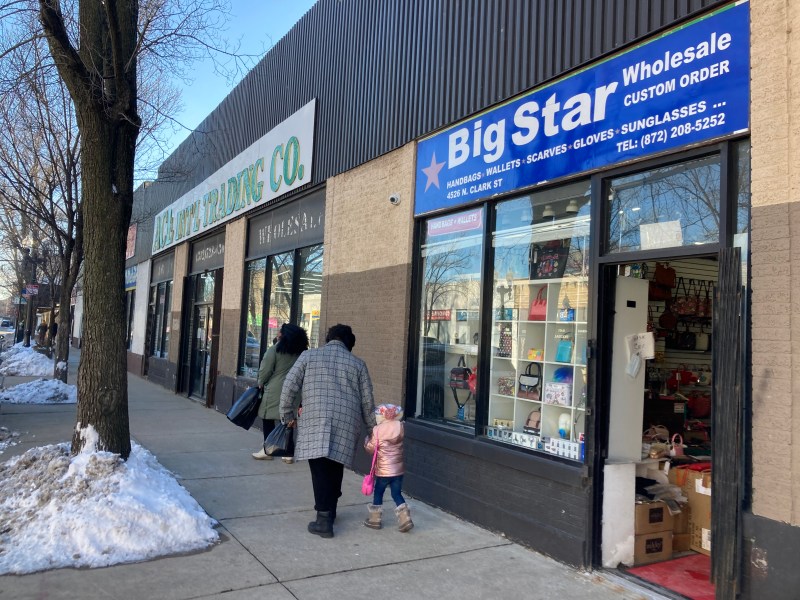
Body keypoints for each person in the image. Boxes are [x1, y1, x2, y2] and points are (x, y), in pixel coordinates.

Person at [280, 323, 377, 538]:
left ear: (328, 338)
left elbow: (289, 385)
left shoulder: (308, 356)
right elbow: (368, 402)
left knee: (320, 468)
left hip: (315, 418)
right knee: (334, 465)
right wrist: (373, 429)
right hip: (346, 422)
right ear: (348, 344)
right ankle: (330, 510)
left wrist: (287, 414)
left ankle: (323, 520)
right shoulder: (358, 364)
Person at [252, 323, 309, 463]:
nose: (278, 334)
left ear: (284, 335)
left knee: (268, 418)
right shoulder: (302, 352)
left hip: (275, 390)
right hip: (296, 391)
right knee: (289, 420)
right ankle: (288, 452)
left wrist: (260, 382)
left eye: (280, 332)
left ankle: (268, 449)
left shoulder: (275, 350)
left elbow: (265, 371)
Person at [363, 404, 413, 532]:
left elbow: (371, 448)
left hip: (383, 471)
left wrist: (366, 441)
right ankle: (405, 518)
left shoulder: (377, 430)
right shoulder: (400, 426)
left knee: (379, 492)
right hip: (398, 470)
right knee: (396, 493)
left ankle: (375, 520)